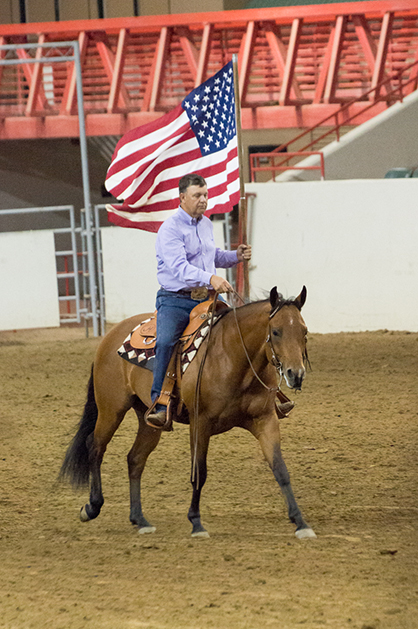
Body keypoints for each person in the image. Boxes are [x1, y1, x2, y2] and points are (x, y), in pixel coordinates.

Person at [146, 173, 251, 428]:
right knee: (167, 340)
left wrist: (234, 256)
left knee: (237, 332)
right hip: (175, 300)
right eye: (197, 195)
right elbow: (180, 268)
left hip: (205, 298)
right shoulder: (170, 229)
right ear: (183, 198)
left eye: (205, 194)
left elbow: (210, 255)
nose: (203, 200)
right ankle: (160, 402)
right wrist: (212, 279)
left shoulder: (205, 224)